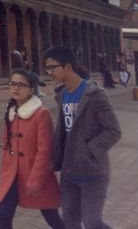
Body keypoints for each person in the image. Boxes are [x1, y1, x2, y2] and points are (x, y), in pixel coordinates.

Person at [44, 46, 121, 229]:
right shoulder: (62, 95)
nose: (49, 72)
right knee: (70, 221)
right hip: (69, 171)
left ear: (68, 67)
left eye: (52, 67)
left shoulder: (94, 94)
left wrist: (88, 150)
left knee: (92, 222)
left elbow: (113, 130)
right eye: (47, 68)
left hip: (93, 172)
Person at [0, 68, 64, 229]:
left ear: (32, 89)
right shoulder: (11, 112)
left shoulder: (41, 114)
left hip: (35, 173)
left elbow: (45, 151)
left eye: (21, 84)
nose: (16, 88)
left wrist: (35, 180)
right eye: (13, 84)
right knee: (4, 217)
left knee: (52, 217)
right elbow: (6, 144)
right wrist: (6, 168)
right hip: (12, 174)